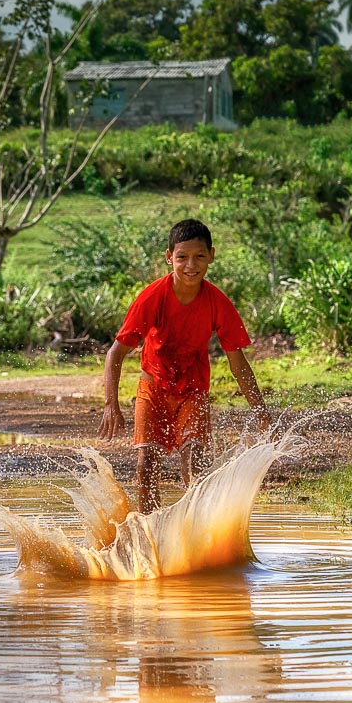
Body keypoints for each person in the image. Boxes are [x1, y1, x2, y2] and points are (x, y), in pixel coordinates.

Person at [98, 218, 271, 514]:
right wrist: (110, 405)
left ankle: (193, 530)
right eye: (182, 257)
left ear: (211, 256)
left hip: (193, 391)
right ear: (170, 258)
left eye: (199, 256)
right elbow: (115, 353)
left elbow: (238, 364)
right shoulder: (153, 297)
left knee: (195, 459)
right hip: (152, 387)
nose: (191, 265)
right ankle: (150, 530)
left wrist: (260, 409)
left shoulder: (218, 302)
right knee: (145, 464)